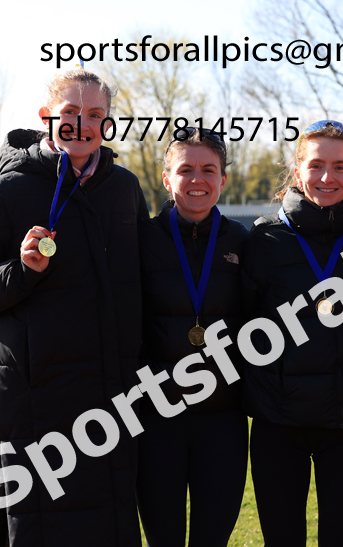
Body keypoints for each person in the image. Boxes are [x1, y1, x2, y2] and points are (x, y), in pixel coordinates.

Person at [0, 69, 148, 547]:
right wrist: (21, 271)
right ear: (47, 118)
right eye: (70, 112)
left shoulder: (124, 188)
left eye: (95, 114)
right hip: (30, 399)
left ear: (107, 123)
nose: (82, 124)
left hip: (107, 393)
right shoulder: (7, 190)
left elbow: (143, 278)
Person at [241, 120, 343, 547]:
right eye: (316, 165)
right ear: (297, 171)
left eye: (340, 167)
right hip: (278, 427)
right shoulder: (263, 239)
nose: (327, 177)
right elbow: (242, 326)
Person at [136, 128, 248, 546]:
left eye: (208, 170)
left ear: (223, 179)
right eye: (185, 170)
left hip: (223, 421)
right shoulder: (140, 239)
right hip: (156, 420)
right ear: (167, 179)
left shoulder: (244, 242)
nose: (197, 179)